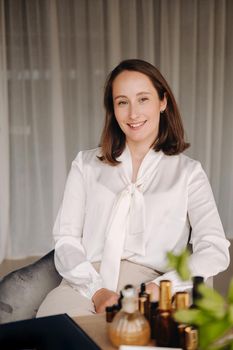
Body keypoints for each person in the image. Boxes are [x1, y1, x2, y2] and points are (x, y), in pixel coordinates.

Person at [37, 59, 230, 318]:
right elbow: (66, 239)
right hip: (84, 283)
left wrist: (159, 288)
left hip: (154, 287)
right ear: (113, 109)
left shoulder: (188, 173)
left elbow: (214, 249)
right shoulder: (85, 165)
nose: (133, 114)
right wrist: (97, 290)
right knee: (58, 330)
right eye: (122, 102)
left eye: (143, 99)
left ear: (163, 102)